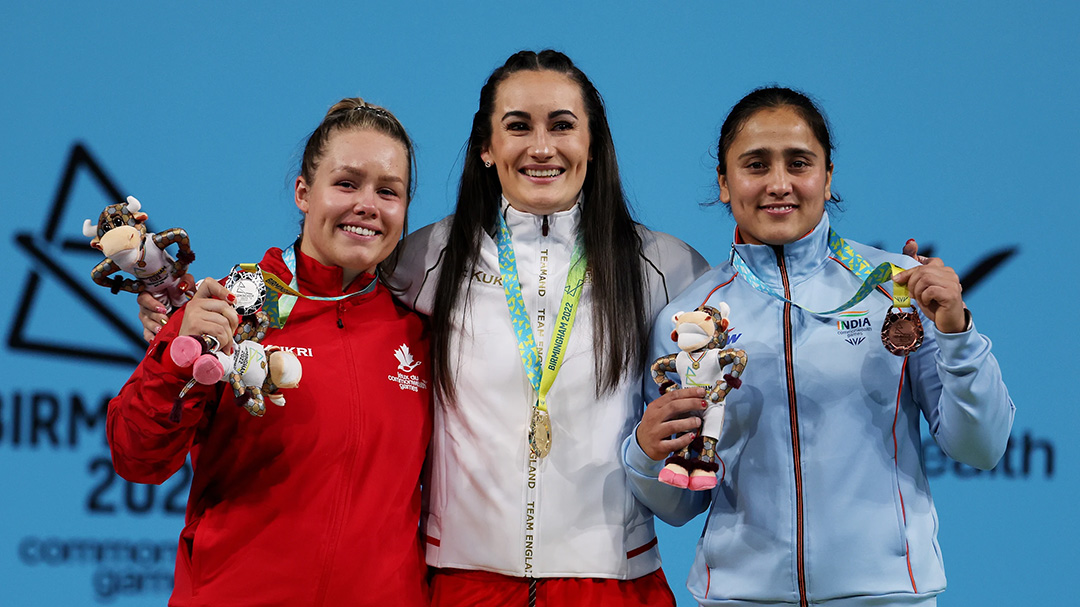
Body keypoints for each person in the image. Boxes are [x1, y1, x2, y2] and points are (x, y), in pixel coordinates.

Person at [623, 86, 1015, 606]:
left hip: (886, 595)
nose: (779, 184)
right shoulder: (691, 315)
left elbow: (981, 447)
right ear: (724, 182)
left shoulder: (896, 288)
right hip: (742, 598)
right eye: (756, 164)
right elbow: (677, 507)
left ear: (827, 177)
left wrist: (958, 332)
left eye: (799, 163)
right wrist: (647, 453)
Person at [393, 50, 710, 606]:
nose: (542, 148)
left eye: (562, 125)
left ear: (593, 142)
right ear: (486, 149)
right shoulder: (421, 262)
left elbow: (690, 484)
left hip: (613, 583)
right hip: (460, 582)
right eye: (518, 127)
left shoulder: (668, 268)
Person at [111, 98, 432, 606]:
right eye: (346, 183)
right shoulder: (233, 305)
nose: (367, 205)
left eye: (388, 191)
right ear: (304, 193)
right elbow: (137, 458)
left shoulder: (420, 329)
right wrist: (177, 349)